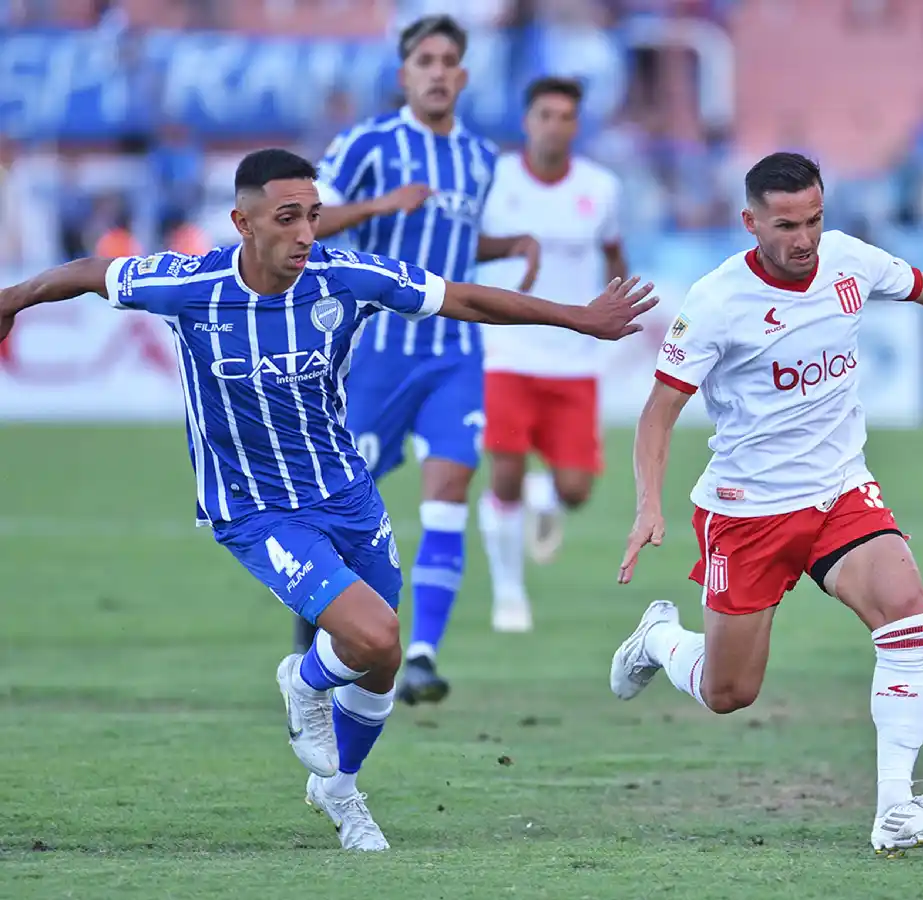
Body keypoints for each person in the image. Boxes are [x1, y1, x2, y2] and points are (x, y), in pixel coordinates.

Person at [0, 148, 656, 852]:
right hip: (255, 509)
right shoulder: (187, 283)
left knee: (383, 658)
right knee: (369, 635)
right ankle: (304, 678)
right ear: (243, 223)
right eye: (288, 218)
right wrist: (11, 300)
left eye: (313, 216)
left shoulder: (343, 279)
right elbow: (87, 273)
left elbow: (460, 297)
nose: (308, 233)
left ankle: (340, 790)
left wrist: (576, 317)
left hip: (347, 495)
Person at [609, 151, 923, 856]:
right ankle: (660, 639)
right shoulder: (717, 301)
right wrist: (648, 507)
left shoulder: (848, 262)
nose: (804, 238)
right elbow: (659, 412)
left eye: (814, 219)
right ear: (749, 221)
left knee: (908, 613)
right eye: (786, 225)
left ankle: (896, 808)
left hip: (841, 489)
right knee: (729, 693)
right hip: (750, 511)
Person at [296, 14, 541, 705]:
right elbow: (305, 219)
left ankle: (423, 653)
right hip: (376, 352)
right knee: (336, 508)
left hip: (453, 353)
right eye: (424, 60)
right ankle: (313, 623)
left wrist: (509, 243)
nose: (437, 71)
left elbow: (452, 246)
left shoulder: (479, 156)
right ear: (405, 75)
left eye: (448, 60)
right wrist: (383, 203)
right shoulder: (369, 143)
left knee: (447, 497)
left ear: (463, 75)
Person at [474, 76, 627, 633]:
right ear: (526, 120)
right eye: (545, 114)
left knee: (575, 490)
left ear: (576, 125)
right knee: (505, 471)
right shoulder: (495, 181)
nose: (555, 125)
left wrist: (619, 304)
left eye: (566, 116)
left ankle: (548, 497)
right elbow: (465, 245)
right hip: (507, 347)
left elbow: (614, 251)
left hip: (572, 355)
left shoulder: (601, 187)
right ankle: (509, 594)